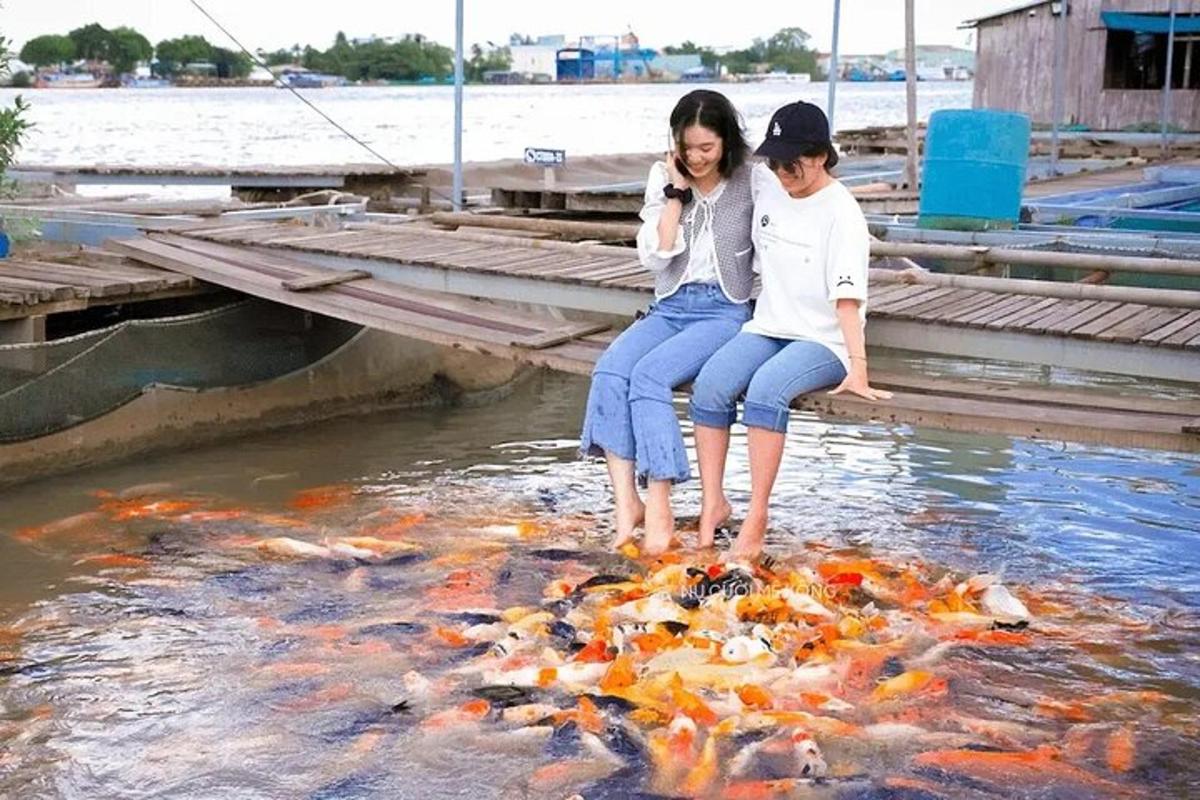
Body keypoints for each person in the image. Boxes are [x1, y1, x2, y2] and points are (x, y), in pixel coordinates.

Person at [688, 101, 893, 560]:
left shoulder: (841, 212)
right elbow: (715, 158)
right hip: (770, 324)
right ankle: (713, 503)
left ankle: (757, 517)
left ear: (821, 156)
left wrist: (858, 368)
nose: (781, 170)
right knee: (711, 385)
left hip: (824, 340)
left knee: (765, 391)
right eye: (774, 160)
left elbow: (847, 299)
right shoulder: (771, 188)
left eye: (791, 160)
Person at [579, 89, 758, 555]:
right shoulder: (664, 175)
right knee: (610, 371)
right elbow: (658, 260)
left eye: (707, 148)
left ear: (726, 142)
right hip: (671, 304)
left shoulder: (753, 177)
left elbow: (782, 234)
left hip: (725, 309)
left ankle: (659, 505)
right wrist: (676, 196)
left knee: (650, 377)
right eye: (687, 147)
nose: (696, 158)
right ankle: (627, 505)